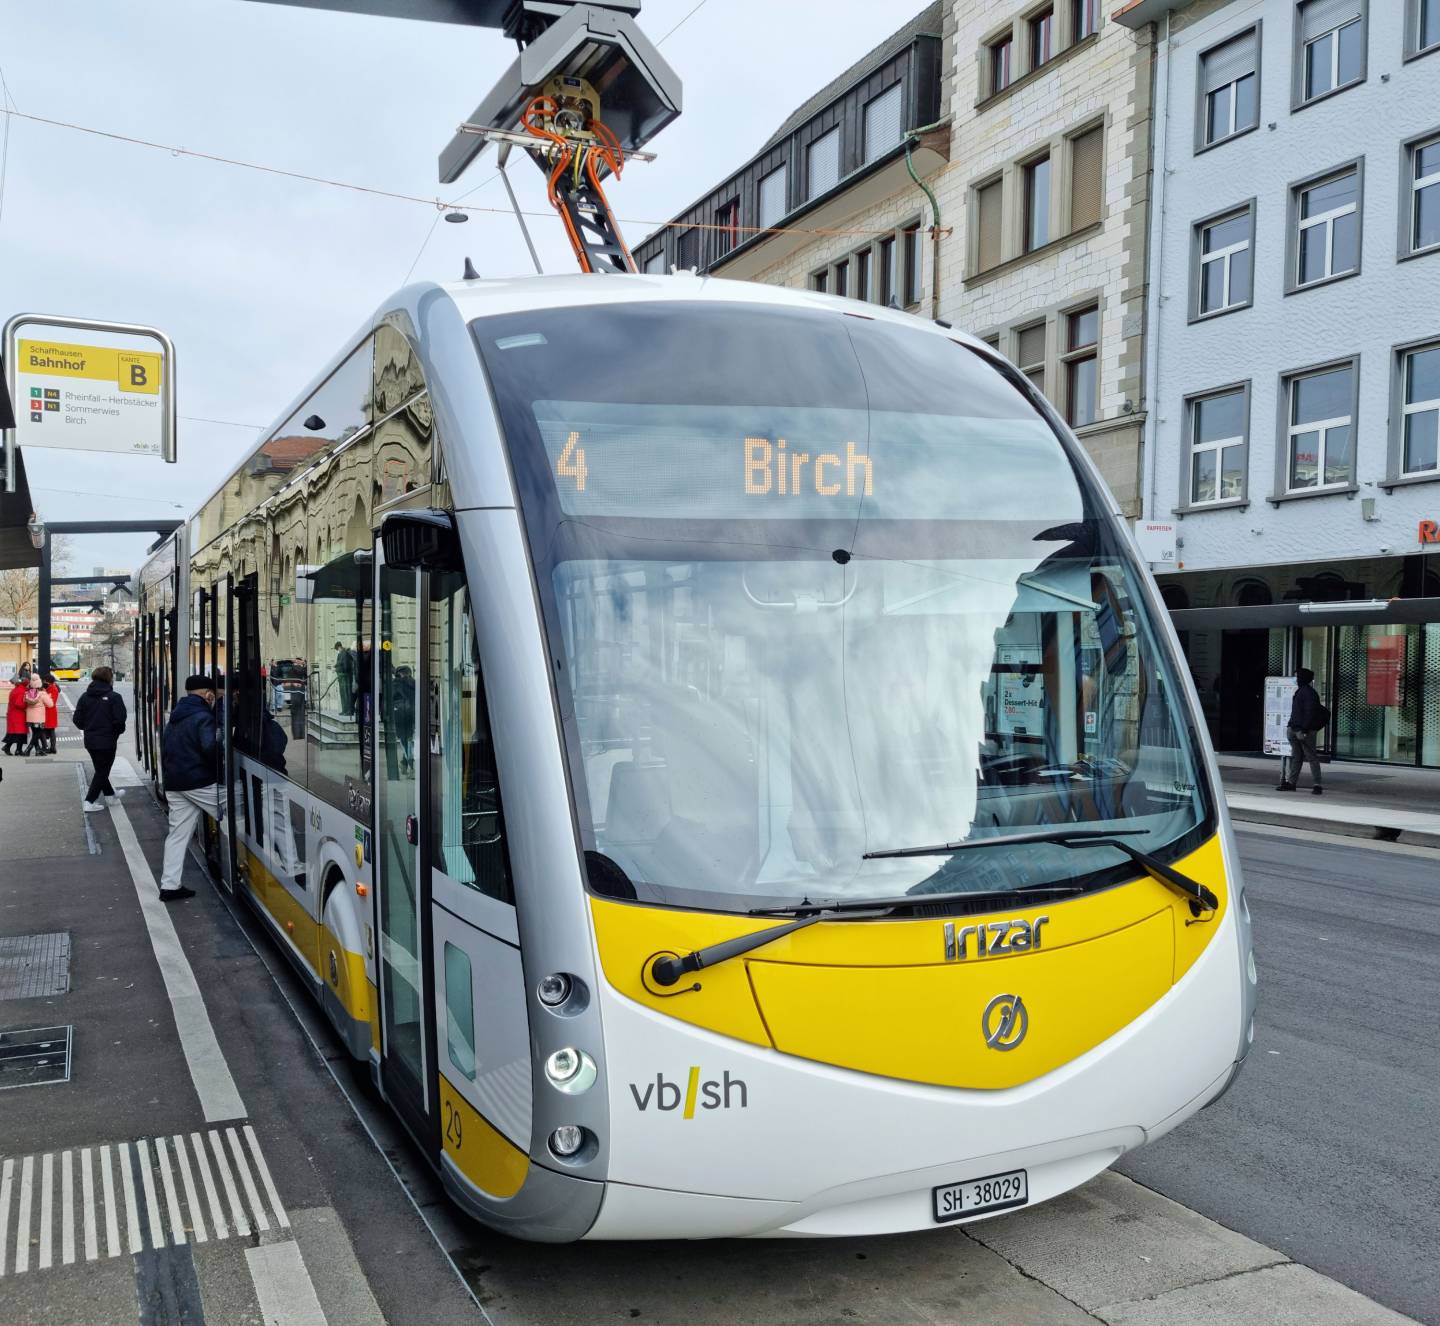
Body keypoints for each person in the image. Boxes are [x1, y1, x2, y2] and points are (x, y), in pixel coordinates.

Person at [158, 674, 226, 902]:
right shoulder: (203, 716)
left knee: (177, 835)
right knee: (244, 804)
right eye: (214, 696)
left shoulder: (176, 715)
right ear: (208, 694)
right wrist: (221, 771)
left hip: (175, 784)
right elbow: (210, 748)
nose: (215, 699)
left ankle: (170, 886)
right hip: (199, 782)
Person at [73, 665, 128, 810]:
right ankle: (89, 801)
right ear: (109, 679)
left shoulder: (85, 697)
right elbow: (120, 720)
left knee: (100, 769)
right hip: (108, 741)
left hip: (90, 740)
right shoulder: (114, 697)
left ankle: (110, 795)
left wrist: (89, 728)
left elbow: (77, 719)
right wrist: (115, 733)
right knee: (103, 771)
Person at [1278, 666, 1326, 795]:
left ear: (1303, 678)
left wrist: (1303, 730)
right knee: (1299, 757)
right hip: (1296, 729)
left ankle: (1316, 784)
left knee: (1308, 757)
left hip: (1302, 730)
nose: (1296, 679)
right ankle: (1293, 783)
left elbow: (1309, 713)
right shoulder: (1304, 692)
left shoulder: (1307, 693)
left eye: (1297, 677)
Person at [22, 675, 54, 755]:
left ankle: (38, 750)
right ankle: (28, 750)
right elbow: (50, 705)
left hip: (30, 716)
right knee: (37, 733)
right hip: (39, 717)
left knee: (35, 733)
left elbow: (24, 702)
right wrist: (49, 697)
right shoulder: (42, 694)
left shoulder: (27, 693)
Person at [3, 678, 29, 755]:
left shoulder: (15, 689)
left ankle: (12, 748)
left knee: (16, 733)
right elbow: (19, 704)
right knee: (20, 733)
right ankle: (17, 750)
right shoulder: (22, 691)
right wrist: (27, 705)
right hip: (18, 714)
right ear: (26, 684)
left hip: (13, 713)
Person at [334, 640, 356, 717]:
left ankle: (348, 710)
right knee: (344, 695)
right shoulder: (342, 654)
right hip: (343, 677)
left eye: (337, 649)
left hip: (345, 677)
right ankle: (345, 710)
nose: (337, 651)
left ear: (339, 647)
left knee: (347, 694)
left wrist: (338, 669)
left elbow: (346, 666)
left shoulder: (344, 653)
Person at [42, 672, 60, 754]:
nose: (43, 682)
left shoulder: (52, 689)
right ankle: (51, 747)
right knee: (49, 730)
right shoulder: (51, 688)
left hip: (49, 711)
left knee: (49, 730)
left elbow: (51, 701)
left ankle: (51, 747)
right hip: (49, 711)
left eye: (45, 681)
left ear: (48, 681)